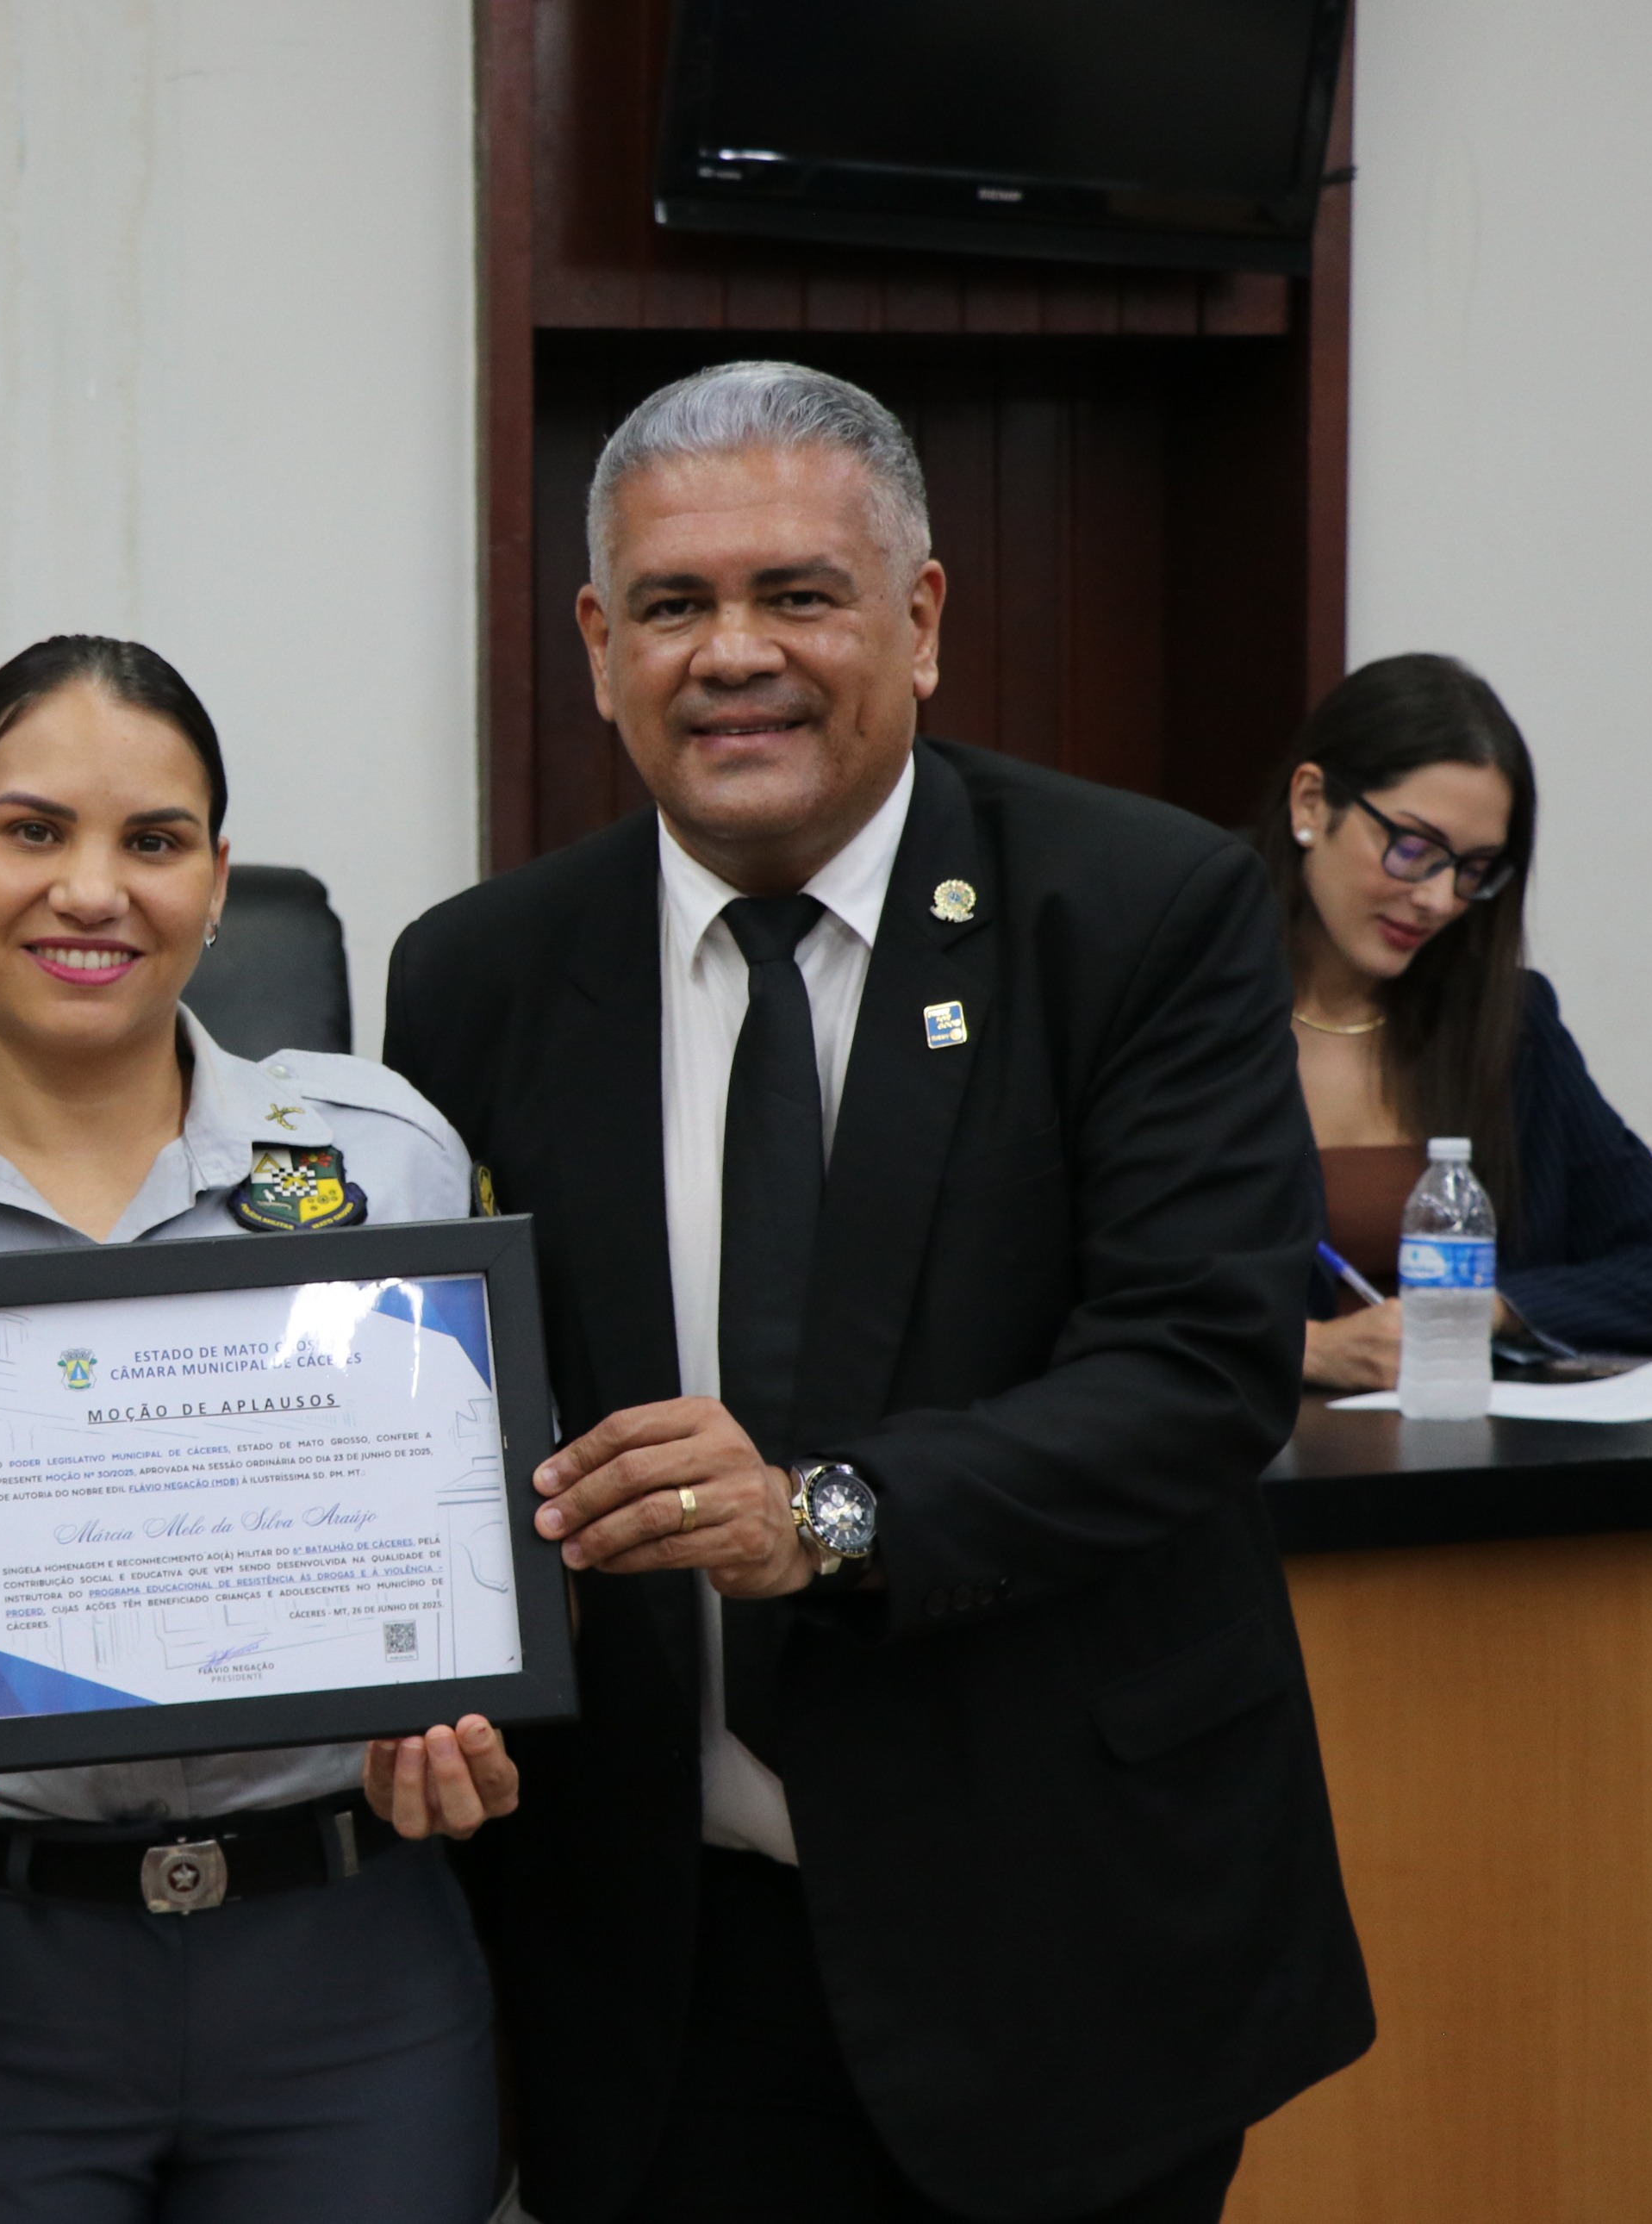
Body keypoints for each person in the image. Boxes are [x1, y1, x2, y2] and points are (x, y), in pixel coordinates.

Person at [384, 364, 1373, 2224]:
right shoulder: (474, 977)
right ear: (597, 648)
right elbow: (446, 1424)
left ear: (918, 621)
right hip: (653, 1974)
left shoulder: (1134, 911)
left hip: (1056, 1946)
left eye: (798, 594)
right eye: (672, 605)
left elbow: (1194, 1370)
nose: (731, 654)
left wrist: (821, 1517)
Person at [0, 634, 521, 2224]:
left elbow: (505, 1579)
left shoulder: (389, 1164)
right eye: (31, 830)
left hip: (350, 1966)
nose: (91, 889)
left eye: (153, 840)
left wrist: (474, 1721)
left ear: (216, 881)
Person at [1262, 654, 1652, 1388]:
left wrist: (1487, 1308)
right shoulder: (1185, 1014)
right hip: (1261, 1453)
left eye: (1474, 868)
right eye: (1412, 848)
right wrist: (1311, 1350)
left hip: (1475, 1448)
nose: (1440, 899)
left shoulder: (1509, 1029)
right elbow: (1096, 1297)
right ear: (1311, 803)